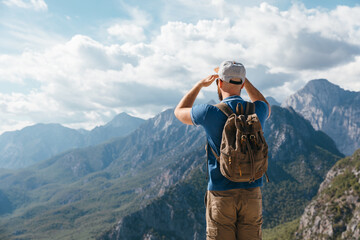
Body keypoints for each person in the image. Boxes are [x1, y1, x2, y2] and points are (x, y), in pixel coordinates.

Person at [174, 60, 270, 240]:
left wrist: (199, 85)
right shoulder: (258, 110)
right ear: (242, 84)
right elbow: (264, 103)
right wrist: (244, 81)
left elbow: (179, 111)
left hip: (221, 193)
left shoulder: (208, 112)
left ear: (219, 82)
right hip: (252, 193)